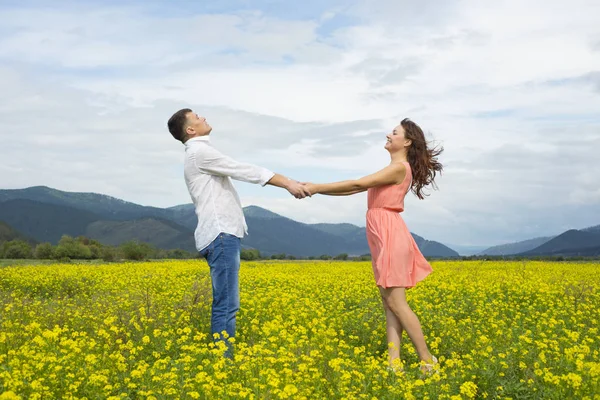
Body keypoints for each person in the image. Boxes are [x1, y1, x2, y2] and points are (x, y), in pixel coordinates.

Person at [304, 118, 443, 375]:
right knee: (388, 301)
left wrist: (315, 186)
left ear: (407, 141)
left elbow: (358, 184)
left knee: (397, 302)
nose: (388, 135)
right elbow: (354, 190)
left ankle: (428, 361)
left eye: (394, 132)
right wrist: (315, 191)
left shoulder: (399, 168)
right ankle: (394, 363)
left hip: (390, 233)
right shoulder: (393, 168)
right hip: (383, 234)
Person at [167, 108, 310, 356]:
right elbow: (244, 170)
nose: (203, 117)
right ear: (190, 130)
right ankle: (223, 360)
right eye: (197, 117)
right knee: (227, 304)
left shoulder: (199, 153)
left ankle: (222, 356)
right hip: (220, 234)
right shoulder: (200, 153)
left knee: (227, 302)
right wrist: (288, 182)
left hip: (222, 234)